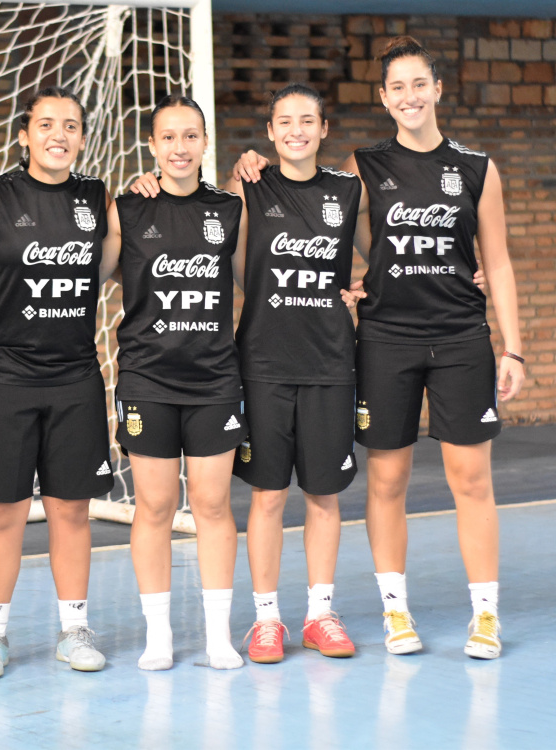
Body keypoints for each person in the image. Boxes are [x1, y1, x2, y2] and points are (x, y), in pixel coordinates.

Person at [235, 37, 524, 660]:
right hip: (386, 340)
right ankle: (396, 613)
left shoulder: (478, 168)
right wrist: (250, 165)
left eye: (420, 84)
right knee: (387, 480)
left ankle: (485, 616)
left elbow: (496, 264)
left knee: (470, 479)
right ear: (385, 98)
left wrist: (515, 349)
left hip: (461, 338)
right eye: (397, 87)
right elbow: (333, 229)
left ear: (437, 89)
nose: (410, 96)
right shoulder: (362, 167)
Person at [0, 87, 120, 679]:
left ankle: (74, 629)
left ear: (82, 136)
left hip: (74, 372)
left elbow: (109, 262)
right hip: (4, 375)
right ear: (24, 134)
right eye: (46, 124)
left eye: (71, 126)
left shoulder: (96, 198)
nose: (59, 134)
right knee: (3, 512)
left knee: (70, 510)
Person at [228, 84, 360, 664]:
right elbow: (228, 265)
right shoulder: (249, 187)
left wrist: (461, 275)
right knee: (267, 497)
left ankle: (320, 615)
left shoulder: (347, 191)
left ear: (324, 129)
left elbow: (389, 258)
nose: (297, 130)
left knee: (324, 496)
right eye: (286, 120)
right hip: (263, 363)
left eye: (308, 120)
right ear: (271, 128)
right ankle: (265, 621)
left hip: (331, 361)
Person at [115, 94, 246, 671]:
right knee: (156, 505)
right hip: (148, 376)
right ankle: (160, 636)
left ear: (204, 142)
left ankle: (218, 635)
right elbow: (77, 269)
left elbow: (269, 269)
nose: (179, 147)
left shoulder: (230, 209)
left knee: (214, 504)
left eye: (190, 135)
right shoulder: (128, 209)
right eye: (167, 136)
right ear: (151, 144)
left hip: (214, 376)